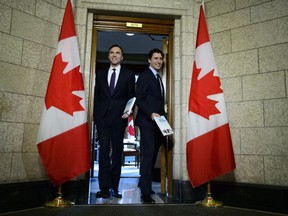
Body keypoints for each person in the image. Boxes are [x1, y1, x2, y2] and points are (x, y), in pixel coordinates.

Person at [94, 44, 135, 199]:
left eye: (118, 53)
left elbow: (132, 96)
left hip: (119, 119)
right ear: (108, 56)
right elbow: (97, 96)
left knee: (117, 153)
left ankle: (114, 188)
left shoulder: (129, 74)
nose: (114, 55)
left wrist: (128, 111)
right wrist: (96, 117)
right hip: (103, 118)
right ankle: (104, 188)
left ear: (122, 57)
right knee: (103, 152)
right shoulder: (100, 73)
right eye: (112, 52)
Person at [135, 48, 166, 204]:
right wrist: (151, 113)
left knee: (153, 154)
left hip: (158, 123)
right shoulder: (144, 76)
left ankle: (144, 183)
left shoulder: (158, 78)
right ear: (149, 60)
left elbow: (157, 101)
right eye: (155, 58)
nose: (159, 61)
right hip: (147, 121)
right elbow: (139, 99)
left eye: (161, 58)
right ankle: (145, 194)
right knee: (148, 155)